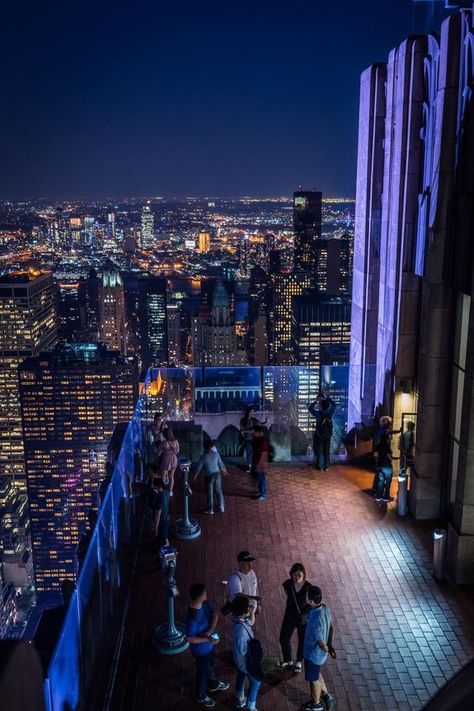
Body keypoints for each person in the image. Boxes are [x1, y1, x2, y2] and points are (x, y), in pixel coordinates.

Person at [185, 583, 230, 708]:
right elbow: (189, 638)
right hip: (201, 650)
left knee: (209, 666)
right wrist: (207, 639)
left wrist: (210, 630)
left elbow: (214, 615)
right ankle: (200, 696)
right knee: (202, 672)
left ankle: (214, 684)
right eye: (204, 593)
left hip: (208, 646)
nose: (206, 594)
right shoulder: (192, 619)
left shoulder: (204, 605)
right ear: (199, 596)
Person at [303, 585, 335, 711]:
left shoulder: (315, 621)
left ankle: (316, 703)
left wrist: (327, 648)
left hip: (313, 655)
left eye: (307, 597)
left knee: (313, 679)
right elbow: (332, 627)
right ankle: (326, 695)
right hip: (320, 656)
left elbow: (320, 642)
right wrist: (330, 645)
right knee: (316, 673)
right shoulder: (325, 608)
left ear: (311, 601)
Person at [279, 563, 312, 673]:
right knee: (283, 638)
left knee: (302, 640)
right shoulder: (288, 584)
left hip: (303, 617)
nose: (296, 578)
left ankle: (298, 661)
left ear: (304, 575)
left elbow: (311, 604)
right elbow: (288, 594)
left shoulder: (308, 588)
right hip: (290, 615)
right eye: (294, 575)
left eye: (299, 575)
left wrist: (305, 613)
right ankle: (288, 659)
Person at [231, 596, 261, 710]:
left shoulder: (236, 619)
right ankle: (251, 707)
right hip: (245, 661)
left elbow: (251, 622)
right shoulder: (241, 631)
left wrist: (252, 612)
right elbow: (244, 650)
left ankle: (239, 697)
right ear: (244, 610)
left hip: (238, 660)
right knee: (256, 682)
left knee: (241, 674)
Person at [193, 440, 229, 514]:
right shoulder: (216, 454)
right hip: (217, 474)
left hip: (209, 476)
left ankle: (210, 510)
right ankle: (221, 506)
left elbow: (198, 468)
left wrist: (195, 476)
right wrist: (225, 472)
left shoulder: (203, 457)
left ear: (204, 448)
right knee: (219, 490)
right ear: (212, 447)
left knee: (210, 493)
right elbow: (221, 464)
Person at [308, 392, 335, 471]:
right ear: (328, 406)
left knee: (319, 450)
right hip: (328, 434)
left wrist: (316, 401)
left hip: (319, 435)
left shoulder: (318, 413)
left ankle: (320, 466)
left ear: (321, 406)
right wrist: (327, 398)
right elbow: (334, 405)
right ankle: (326, 466)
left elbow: (310, 408)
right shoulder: (330, 413)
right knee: (327, 450)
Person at [240, 406, 267, 473]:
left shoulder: (253, 420)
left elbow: (260, 424)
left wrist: (265, 422)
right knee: (249, 453)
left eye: (253, 412)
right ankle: (249, 466)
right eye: (251, 412)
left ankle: (254, 466)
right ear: (248, 412)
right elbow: (242, 430)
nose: (252, 413)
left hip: (253, 439)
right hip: (246, 439)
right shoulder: (243, 420)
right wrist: (245, 432)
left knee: (254, 453)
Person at [155, 427, 179, 496]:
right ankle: (171, 492)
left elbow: (158, 454)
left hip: (166, 460)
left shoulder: (163, 443)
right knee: (172, 476)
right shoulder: (176, 441)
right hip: (174, 460)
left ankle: (163, 490)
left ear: (165, 435)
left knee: (163, 476)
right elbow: (177, 452)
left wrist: (163, 451)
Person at [148, 474, 170, 545]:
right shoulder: (166, 493)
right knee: (164, 536)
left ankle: (166, 553)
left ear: (157, 486)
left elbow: (158, 513)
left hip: (161, 520)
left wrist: (156, 527)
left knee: (163, 538)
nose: (152, 486)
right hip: (167, 517)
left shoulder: (159, 497)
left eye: (153, 485)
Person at [251, 425, 270, 501]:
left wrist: (261, 464)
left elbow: (264, 453)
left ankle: (263, 494)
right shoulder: (256, 440)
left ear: (259, 432)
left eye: (255, 432)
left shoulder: (263, 441)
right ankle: (261, 492)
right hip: (257, 462)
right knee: (259, 477)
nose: (253, 433)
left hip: (260, 463)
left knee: (261, 478)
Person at [374, 432, 393, 503]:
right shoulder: (387, 446)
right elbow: (390, 458)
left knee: (380, 482)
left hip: (380, 466)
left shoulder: (378, 446)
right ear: (386, 439)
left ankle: (379, 497)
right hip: (387, 466)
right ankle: (386, 497)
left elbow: (375, 455)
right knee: (388, 482)